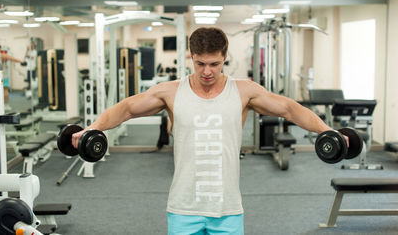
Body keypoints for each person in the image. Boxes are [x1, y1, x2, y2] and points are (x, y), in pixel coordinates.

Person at [71, 27, 338, 235]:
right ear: (191, 57)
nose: (207, 71)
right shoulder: (171, 92)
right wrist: (93, 128)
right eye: (200, 64)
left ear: (225, 58)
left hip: (228, 208)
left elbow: (289, 109)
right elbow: (128, 108)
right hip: (183, 207)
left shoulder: (243, 91)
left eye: (215, 64)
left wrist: (328, 131)